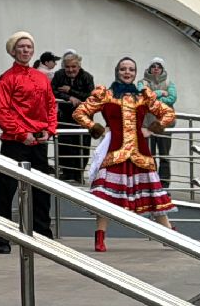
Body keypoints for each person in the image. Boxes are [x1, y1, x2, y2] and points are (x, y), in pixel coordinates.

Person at [73, 57, 177, 251]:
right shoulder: (106, 94)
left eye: (130, 69)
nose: (127, 72)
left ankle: (169, 234)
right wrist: (95, 127)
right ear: (117, 71)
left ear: (135, 73)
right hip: (115, 152)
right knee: (104, 196)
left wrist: (153, 128)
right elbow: (80, 112)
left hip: (140, 153)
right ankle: (100, 236)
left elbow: (169, 114)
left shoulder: (144, 96)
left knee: (154, 195)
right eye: (123, 69)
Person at [0, 32, 57, 254]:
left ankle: (43, 234)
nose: (26, 50)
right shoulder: (6, 79)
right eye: (22, 47)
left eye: (29, 46)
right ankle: (1, 238)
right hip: (14, 142)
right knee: (6, 191)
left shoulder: (41, 78)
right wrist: (20, 133)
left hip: (38, 139)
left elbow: (51, 106)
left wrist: (50, 130)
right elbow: (1, 111)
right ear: (13, 51)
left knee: (41, 190)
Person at [52, 52, 95, 182]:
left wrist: (70, 90)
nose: (70, 70)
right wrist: (69, 97)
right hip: (65, 117)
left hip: (83, 118)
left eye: (73, 67)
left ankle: (78, 174)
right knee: (64, 145)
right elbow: (52, 91)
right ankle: (66, 173)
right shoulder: (59, 75)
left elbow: (90, 96)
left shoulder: (87, 77)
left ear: (79, 66)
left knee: (82, 147)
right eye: (67, 67)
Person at [142, 58, 178, 181]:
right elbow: (143, 96)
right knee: (149, 156)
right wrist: (160, 92)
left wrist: (154, 99)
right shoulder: (143, 82)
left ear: (162, 69)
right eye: (153, 66)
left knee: (164, 156)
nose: (156, 68)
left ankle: (164, 184)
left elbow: (172, 98)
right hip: (147, 124)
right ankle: (152, 183)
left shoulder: (169, 83)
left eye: (159, 66)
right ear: (150, 68)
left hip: (165, 125)